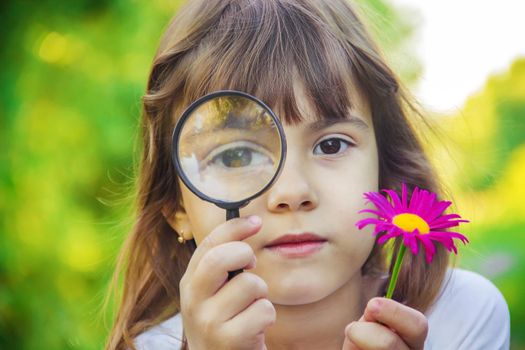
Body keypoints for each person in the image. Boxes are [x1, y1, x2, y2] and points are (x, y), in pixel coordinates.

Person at [105, 0, 510, 349]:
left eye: (330, 145)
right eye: (235, 156)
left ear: (383, 171)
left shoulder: (460, 317)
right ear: (175, 206)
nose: (293, 192)